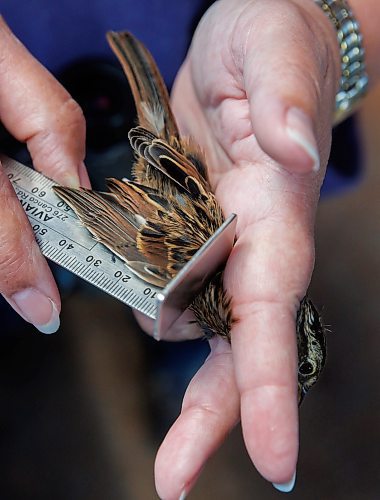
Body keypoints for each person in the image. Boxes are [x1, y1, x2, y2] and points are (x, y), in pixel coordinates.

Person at [0, 0, 379, 498]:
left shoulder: (232, 284)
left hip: (196, 116)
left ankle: (174, 369)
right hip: (145, 163)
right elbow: (119, 227)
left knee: (177, 333)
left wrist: (322, 26)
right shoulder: (210, 286)